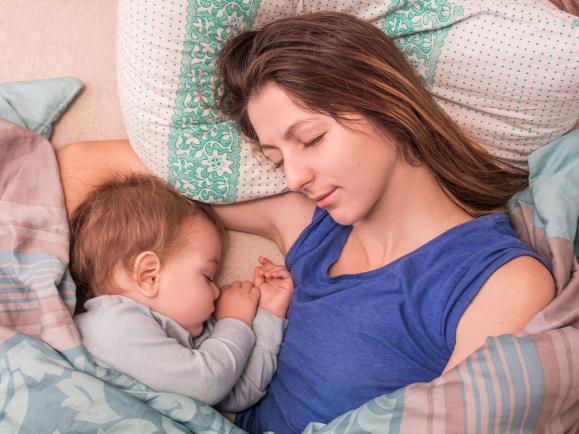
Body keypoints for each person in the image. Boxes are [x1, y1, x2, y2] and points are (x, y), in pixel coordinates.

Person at [56, 11, 556, 434]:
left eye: (312, 139)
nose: (295, 176)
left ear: (388, 104)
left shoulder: (496, 281)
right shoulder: (308, 224)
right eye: (275, 160)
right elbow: (83, 165)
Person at [70, 174, 293, 413]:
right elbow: (209, 384)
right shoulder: (109, 325)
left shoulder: (184, 336)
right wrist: (235, 321)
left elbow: (237, 393)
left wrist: (269, 313)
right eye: (207, 276)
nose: (217, 292)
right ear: (149, 276)